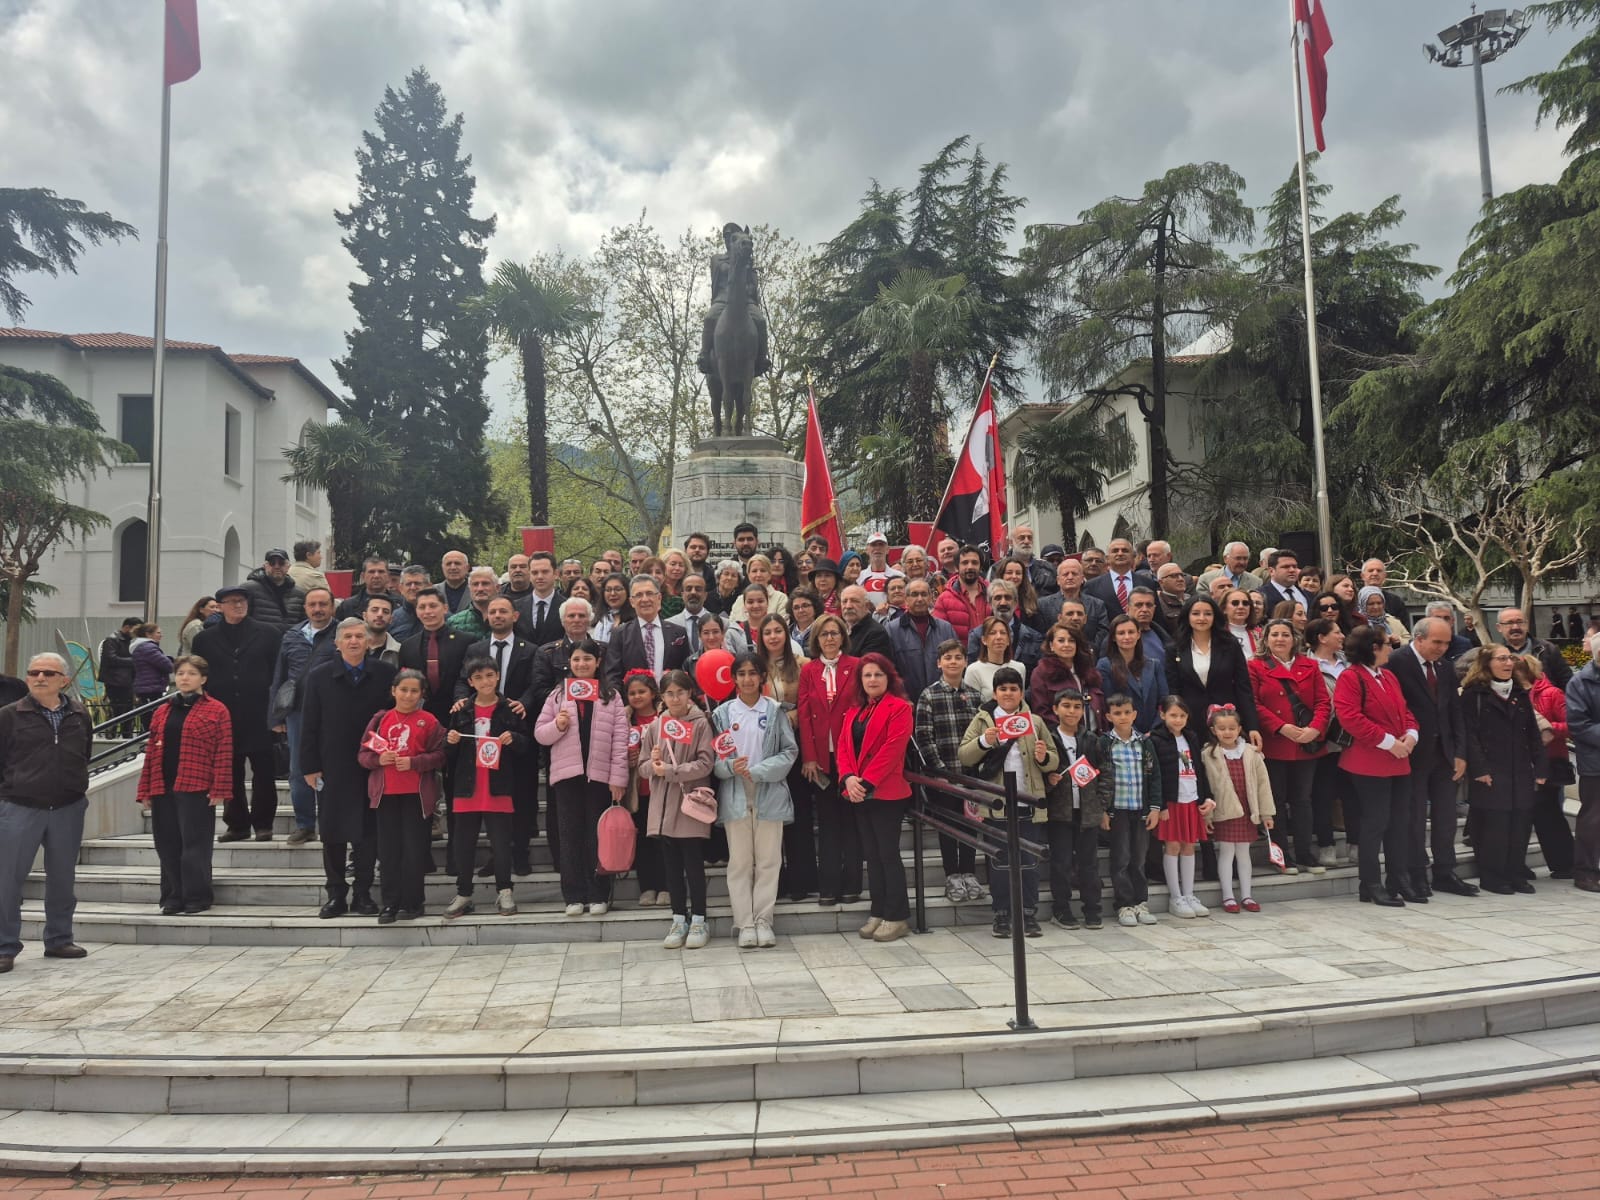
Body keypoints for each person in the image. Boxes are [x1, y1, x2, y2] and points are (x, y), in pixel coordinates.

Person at [0, 653, 95, 972]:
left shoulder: (80, 714)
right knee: (7, 880)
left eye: (48, 673)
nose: (40, 677)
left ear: (64, 680)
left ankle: (59, 938)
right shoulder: (9, 715)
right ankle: (4, 946)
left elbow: (84, 754)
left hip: (68, 807)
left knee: (62, 877)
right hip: (20, 807)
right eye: (34, 672)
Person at [300, 619, 397, 917]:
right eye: (348, 637)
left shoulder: (384, 674)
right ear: (337, 643)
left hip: (372, 765)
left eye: (359, 636)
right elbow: (309, 724)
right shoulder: (318, 677)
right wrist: (310, 766)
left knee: (368, 832)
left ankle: (364, 893)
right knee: (332, 831)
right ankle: (336, 894)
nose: (354, 641)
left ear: (369, 642)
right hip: (332, 766)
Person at [958, 665, 1057, 939]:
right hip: (997, 804)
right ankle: (1001, 914)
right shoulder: (982, 719)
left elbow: (1053, 758)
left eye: (1014, 689)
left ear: (1021, 691)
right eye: (1003, 689)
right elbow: (964, 756)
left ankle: (1028, 913)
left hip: (1029, 802)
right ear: (995, 692)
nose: (1008, 693)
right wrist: (983, 741)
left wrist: (1043, 757)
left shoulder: (1034, 722)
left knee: (1029, 860)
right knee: (999, 862)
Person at [535, 638, 631, 916]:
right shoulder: (557, 695)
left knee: (597, 836)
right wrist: (558, 725)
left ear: (597, 662)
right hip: (568, 778)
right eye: (576, 660)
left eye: (587, 659)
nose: (581, 664)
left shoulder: (611, 696)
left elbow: (620, 740)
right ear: (569, 663)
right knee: (570, 837)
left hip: (600, 778)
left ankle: (599, 893)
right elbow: (540, 733)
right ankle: (574, 896)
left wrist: (618, 779)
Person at [710, 653, 799, 948]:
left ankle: (763, 920)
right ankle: (744, 923)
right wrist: (728, 768)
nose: (747, 679)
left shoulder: (775, 711)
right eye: (742, 673)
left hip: (768, 791)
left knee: (769, 860)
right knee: (740, 862)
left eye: (753, 673)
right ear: (733, 678)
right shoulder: (722, 714)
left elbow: (789, 752)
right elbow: (713, 761)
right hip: (735, 793)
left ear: (762, 677)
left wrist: (759, 771)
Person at [136, 655, 231, 915]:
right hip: (163, 784)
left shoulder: (216, 709)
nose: (185, 678)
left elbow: (223, 750)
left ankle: (197, 896)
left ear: (203, 678)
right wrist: (145, 789)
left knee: (194, 845)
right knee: (166, 844)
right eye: (180, 674)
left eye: (191, 673)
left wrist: (219, 787)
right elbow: (151, 754)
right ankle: (173, 895)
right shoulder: (163, 710)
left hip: (196, 785)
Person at [1386, 616, 1475, 898]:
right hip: (1412, 752)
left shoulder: (1446, 667)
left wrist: (1460, 753)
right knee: (1413, 817)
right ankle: (1415, 872)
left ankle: (1445, 872)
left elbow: (1455, 713)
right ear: (1419, 638)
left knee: (1446, 817)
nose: (1442, 648)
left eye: (1447, 643)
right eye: (1437, 642)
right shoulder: (1397, 663)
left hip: (1444, 753)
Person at [1333, 625, 1420, 908]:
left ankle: (1399, 878)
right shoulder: (1351, 677)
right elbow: (1350, 717)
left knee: (1399, 823)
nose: (1391, 648)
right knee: (1375, 824)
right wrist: (1387, 742)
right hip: (1369, 761)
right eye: (1386, 644)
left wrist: (1411, 734)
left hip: (1398, 758)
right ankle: (1370, 883)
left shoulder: (1389, 676)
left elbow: (1405, 710)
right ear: (1373, 647)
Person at [835, 652, 916, 943]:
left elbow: (892, 749)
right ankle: (879, 911)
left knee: (887, 854)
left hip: (886, 792)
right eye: (867, 675)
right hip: (858, 792)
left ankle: (897, 916)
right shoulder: (854, 711)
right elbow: (843, 748)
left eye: (877, 674)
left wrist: (866, 782)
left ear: (888, 677)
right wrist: (848, 779)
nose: (872, 679)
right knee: (872, 855)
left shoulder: (900, 708)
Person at [356, 668, 447, 923]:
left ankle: (414, 902)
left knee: (414, 851)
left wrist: (416, 762)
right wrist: (378, 759)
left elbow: (441, 756)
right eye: (403, 690)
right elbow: (362, 756)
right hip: (385, 795)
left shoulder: (429, 721)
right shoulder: (380, 719)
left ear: (422, 694)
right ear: (393, 691)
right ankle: (390, 904)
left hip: (417, 797)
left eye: (414, 691)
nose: (408, 695)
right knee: (388, 852)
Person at [192, 585, 280, 843]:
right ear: (220, 606)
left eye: (241, 601)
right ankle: (237, 824)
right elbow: (200, 675)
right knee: (229, 772)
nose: (237, 605)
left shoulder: (269, 633)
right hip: (222, 715)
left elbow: (277, 673)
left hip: (260, 713)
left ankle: (264, 823)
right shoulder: (204, 639)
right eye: (230, 602)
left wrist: (278, 714)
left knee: (264, 772)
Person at [443, 655, 526, 918]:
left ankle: (505, 891)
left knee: (501, 844)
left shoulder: (510, 710)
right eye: (478, 677)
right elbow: (447, 754)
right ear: (470, 682)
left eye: (489, 675)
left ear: (498, 676)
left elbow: (527, 747)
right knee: (463, 845)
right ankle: (464, 893)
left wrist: (514, 739)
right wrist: (452, 741)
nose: (485, 681)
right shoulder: (461, 711)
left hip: (498, 786)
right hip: (466, 787)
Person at [1459, 646, 1546, 895]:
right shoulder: (1474, 694)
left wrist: (1540, 765)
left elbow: (1532, 733)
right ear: (1487, 664)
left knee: (1520, 824)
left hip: (1519, 768)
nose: (1508, 663)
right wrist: (1480, 768)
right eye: (1501, 659)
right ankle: (1493, 876)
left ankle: (1515, 872)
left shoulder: (1519, 692)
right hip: (1490, 770)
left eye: (1510, 658)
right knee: (1494, 826)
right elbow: (1470, 735)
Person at [1248, 618, 1331, 875]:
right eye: (1275, 635)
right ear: (1266, 639)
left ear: (1294, 639)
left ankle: (1306, 853)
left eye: (1285, 634)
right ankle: (1280, 856)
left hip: (1307, 743)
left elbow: (1322, 701)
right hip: (1275, 743)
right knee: (1276, 801)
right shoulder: (1256, 666)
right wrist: (1281, 727)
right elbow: (1253, 703)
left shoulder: (1310, 665)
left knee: (1303, 801)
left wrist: (1315, 729)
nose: (1280, 639)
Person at [639, 669, 715, 949]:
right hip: (663, 806)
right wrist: (655, 765)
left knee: (693, 864)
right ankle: (678, 917)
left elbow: (706, 763)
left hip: (689, 802)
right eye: (669, 693)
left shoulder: (701, 724)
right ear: (662, 696)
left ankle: (699, 918)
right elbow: (643, 766)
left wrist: (671, 770)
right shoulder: (656, 726)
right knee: (671, 867)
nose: (675, 698)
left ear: (689, 694)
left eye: (680, 692)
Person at [913, 639, 985, 903]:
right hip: (943, 776)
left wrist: (975, 773)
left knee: (969, 826)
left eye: (958, 657)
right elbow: (924, 737)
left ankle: (968, 872)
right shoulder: (929, 695)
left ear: (966, 661)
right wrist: (941, 772)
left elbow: (981, 737)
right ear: (939, 663)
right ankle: (951, 875)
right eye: (948, 658)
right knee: (948, 827)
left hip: (970, 777)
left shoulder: (975, 696)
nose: (953, 662)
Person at [797, 615, 861, 905]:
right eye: (824, 634)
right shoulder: (809, 671)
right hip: (822, 759)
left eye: (835, 633)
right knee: (827, 823)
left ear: (843, 637)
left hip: (851, 758)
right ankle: (828, 886)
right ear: (817, 639)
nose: (830, 639)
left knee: (851, 821)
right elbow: (804, 714)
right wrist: (809, 757)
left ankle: (852, 885)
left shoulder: (857, 666)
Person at [269, 586, 338, 845]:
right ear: (306, 608)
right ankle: (305, 824)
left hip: (333, 712)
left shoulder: (342, 633)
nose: (318, 609)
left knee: (332, 767)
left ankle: (330, 822)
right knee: (298, 769)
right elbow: (280, 676)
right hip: (297, 712)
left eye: (323, 604)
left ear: (332, 607)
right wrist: (275, 717)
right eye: (313, 605)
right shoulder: (291, 635)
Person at [1041, 688, 1109, 930]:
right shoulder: (1049, 738)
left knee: (1089, 863)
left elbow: (1105, 773)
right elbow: (1040, 776)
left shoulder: (1091, 739)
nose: (1072, 711)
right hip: (1060, 813)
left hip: (1088, 813)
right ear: (1055, 709)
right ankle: (1061, 909)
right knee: (1061, 863)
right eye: (1066, 706)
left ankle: (1093, 909)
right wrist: (1049, 782)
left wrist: (1102, 806)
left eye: (1077, 707)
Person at [1200, 700, 1276, 914]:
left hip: (1247, 808)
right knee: (1226, 852)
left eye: (1232, 728)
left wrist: (1266, 813)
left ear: (1240, 729)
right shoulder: (1209, 754)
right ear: (1213, 730)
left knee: (1244, 852)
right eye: (1222, 728)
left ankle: (1247, 894)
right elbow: (1206, 787)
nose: (1227, 732)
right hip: (1224, 810)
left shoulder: (1251, 753)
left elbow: (1263, 784)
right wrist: (1207, 817)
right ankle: (1228, 896)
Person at [757, 616, 812, 903]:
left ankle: (802, 879)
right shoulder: (754, 667)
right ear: (761, 636)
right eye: (768, 632)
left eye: (778, 630)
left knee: (799, 812)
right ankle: (774, 882)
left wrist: (795, 716)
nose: (774, 636)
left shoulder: (802, 665)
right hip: (765, 746)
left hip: (797, 742)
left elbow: (811, 702)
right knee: (771, 815)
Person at [1100, 694, 1167, 927]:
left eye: (1127, 712)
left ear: (1135, 714)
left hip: (1140, 810)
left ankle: (1140, 902)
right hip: (1117, 810)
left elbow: (1155, 776)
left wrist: (1155, 808)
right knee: (1121, 858)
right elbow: (1100, 779)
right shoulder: (1105, 744)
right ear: (1109, 716)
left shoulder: (1144, 742)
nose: (1123, 717)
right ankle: (1124, 904)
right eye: (1117, 713)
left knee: (1139, 858)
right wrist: (1103, 811)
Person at [1168, 595, 1263, 754]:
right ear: (1187, 616)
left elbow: (1243, 687)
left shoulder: (1230, 644)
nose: (1202, 618)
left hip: (1227, 723)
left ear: (1215, 616)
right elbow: (1173, 690)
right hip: (1190, 722)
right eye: (1196, 613)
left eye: (1208, 613)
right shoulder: (1174, 648)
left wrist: (1252, 726)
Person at [1148, 695, 1216, 917]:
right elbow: (1155, 775)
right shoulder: (1155, 739)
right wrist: (1159, 805)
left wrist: (1206, 797)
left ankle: (1189, 894)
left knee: (1189, 845)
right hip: (1171, 802)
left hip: (1191, 799)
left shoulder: (1191, 737)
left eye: (1182, 716)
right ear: (1162, 715)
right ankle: (1175, 897)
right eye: (1173, 715)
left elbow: (1199, 769)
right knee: (1173, 846)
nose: (1177, 720)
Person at [1306, 617, 1357, 866]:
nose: (1341, 636)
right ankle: (1326, 845)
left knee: (1352, 793)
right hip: (1323, 738)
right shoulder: (1307, 664)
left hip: (1351, 739)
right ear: (1321, 638)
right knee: (1322, 793)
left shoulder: (1349, 664)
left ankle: (1355, 844)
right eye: (1336, 632)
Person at [1524, 655, 1576, 880]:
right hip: (1526, 763)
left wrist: (1545, 728)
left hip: (1551, 760)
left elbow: (1571, 726)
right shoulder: (1514, 693)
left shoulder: (1552, 693)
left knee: (1549, 814)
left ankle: (1565, 863)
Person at [621, 671, 667, 908]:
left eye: (641, 691)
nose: (637, 696)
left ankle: (666, 886)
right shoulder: (624, 720)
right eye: (632, 693)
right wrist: (627, 759)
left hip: (664, 789)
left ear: (652, 693)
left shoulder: (665, 716)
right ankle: (646, 887)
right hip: (637, 791)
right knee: (643, 842)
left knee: (664, 840)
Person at [604, 576, 690, 691]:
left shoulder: (678, 632)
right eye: (639, 595)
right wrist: (623, 704)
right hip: (634, 704)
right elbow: (613, 676)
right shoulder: (620, 634)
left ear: (659, 598)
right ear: (632, 602)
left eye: (649, 593)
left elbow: (684, 672)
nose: (645, 599)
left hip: (671, 703)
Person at [1564, 634, 1600, 893]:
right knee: (1593, 819)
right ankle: (1585, 872)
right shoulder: (1581, 682)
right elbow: (1578, 724)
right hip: (1595, 763)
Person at [886, 579, 956, 704]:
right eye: (914, 594)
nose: (919, 599)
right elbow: (889, 669)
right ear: (906, 598)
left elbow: (956, 664)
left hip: (942, 701)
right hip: (907, 703)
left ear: (931, 597)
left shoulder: (945, 628)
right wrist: (902, 697)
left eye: (924, 594)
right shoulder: (892, 630)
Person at [1098, 614, 1166, 734]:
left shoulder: (1154, 665)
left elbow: (1164, 702)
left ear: (1138, 634)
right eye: (1121, 633)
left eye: (1131, 632)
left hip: (1155, 734)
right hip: (1123, 734)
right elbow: (1109, 704)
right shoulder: (1105, 666)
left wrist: (1153, 731)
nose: (1127, 637)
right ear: (1113, 637)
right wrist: (1136, 734)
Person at [1030, 623, 1105, 729]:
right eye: (1061, 640)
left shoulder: (1088, 671)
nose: (1066, 645)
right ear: (1051, 645)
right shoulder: (1041, 673)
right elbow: (1042, 712)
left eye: (1071, 641)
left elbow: (1101, 708)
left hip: (1095, 738)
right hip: (1063, 740)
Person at [968, 581, 1043, 672]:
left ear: (1016, 603)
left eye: (1008, 598)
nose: (1003, 603)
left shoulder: (1034, 637)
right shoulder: (977, 635)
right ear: (990, 603)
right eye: (998, 598)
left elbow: (1037, 675)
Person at [1496, 607, 1572, 690]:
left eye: (1520, 622)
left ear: (1527, 624)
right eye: (1509, 623)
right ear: (1499, 627)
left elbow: (1567, 682)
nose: (1515, 627)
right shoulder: (1496, 655)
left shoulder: (1548, 649)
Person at [1039, 558, 1108, 646]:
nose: (1070, 577)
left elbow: (1103, 633)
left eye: (1074, 574)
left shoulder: (1097, 605)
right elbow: (1040, 635)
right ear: (1058, 580)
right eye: (1065, 574)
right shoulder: (1043, 605)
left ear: (1082, 578)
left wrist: (1088, 650)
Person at [933, 545, 991, 648]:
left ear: (980, 566)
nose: (970, 567)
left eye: (974, 562)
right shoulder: (943, 600)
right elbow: (939, 636)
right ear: (956, 567)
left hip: (991, 658)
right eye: (965, 563)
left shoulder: (993, 595)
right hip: (960, 660)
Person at [241, 549, 306, 635]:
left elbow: (305, 624)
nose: (277, 566)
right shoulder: (248, 589)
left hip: (289, 645)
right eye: (272, 563)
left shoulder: (299, 594)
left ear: (288, 566)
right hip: (259, 644)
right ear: (265, 566)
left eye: (281, 563)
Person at [1084, 538, 1156, 616]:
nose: (1120, 554)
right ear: (1107, 558)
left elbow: (1157, 615)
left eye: (1125, 550)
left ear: (1133, 557)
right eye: (1115, 551)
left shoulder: (1148, 583)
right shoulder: (1092, 586)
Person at [965, 616, 1026, 704]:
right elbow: (972, 707)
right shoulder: (973, 670)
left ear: (1009, 640)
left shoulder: (1019, 668)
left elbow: (1021, 702)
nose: (998, 637)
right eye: (992, 633)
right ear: (984, 640)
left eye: (1003, 633)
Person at [511, 551, 564, 646]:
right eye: (535, 572)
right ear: (529, 575)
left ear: (556, 574)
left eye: (545, 572)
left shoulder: (566, 606)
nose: (540, 577)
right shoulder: (516, 606)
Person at [98, 617, 140, 736]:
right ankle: (112, 734)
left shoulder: (129, 641)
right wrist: (133, 661)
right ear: (127, 627)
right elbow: (111, 658)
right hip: (115, 681)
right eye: (135, 629)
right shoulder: (112, 640)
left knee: (127, 710)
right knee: (116, 710)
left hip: (126, 681)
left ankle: (126, 734)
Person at [446, 566, 501, 640]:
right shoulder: (454, 622)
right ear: (469, 588)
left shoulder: (509, 619)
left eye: (485, 584)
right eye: (475, 584)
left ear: (497, 588)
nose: (480, 589)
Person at [995, 557, 1048, 633]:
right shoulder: (991, 599)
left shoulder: (1031, 601)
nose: (1014, 576)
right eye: (1009, 572)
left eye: (1018, 573)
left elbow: (1039, 632)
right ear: (1001, 575)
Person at [129, 623, 174, 713]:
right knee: (153, 716)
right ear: (148, 634)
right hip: (152, 688)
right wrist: (171, 660)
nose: (161, 635)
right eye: (158, 633)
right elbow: (168, 666)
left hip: (145, 687)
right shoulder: (149, 648)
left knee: (146, 716)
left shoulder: (141, 647)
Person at [840, 584, 892, 660]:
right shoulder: (838, 629)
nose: (848, 606)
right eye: (844, 601)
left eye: (854, 601)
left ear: (867, 606)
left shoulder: (876, 633)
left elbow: (869, 667)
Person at [731, 554, 789, 621]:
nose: (758, 575)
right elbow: (731, 626)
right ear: (748, 575)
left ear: (770, 574)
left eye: (763, 570)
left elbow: (783, 626)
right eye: (754, 571)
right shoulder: (740, 600)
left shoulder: (780, 598)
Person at [855, 534, 904, 609]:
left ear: (887, 549)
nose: (877, 548)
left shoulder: (900, 576)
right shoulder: (858, 577)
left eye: (881, 545)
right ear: (867, 550)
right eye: (873, 545)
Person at [1359, 559, 1412, 627]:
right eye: (1370, 570)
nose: (1375, 573)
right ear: (1362, 576)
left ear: (1385, 576)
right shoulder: (1353, 599)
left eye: (1379, 571)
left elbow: (1405, 630)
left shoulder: (1395, 602)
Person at [1257, 549, 1310, 616]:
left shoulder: (1306, 594)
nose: (1292, 570)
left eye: (1294, 566)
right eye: (1286, 567)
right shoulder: (1261, 595)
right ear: (1271, 571)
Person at [363, 595, 402, 665]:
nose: (380, 614)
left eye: (386, 612)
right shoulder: (348, 646)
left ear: (391, 619)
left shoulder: (399, 652)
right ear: (365, 616)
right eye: (374, 610)